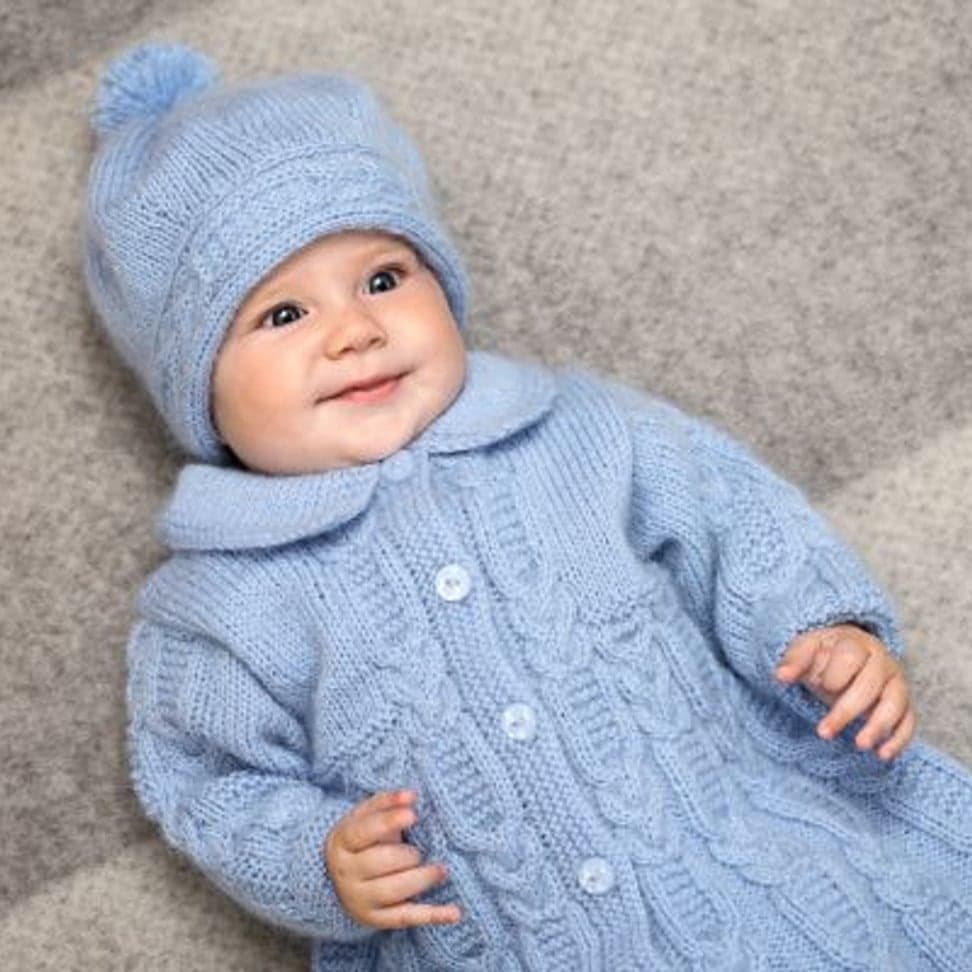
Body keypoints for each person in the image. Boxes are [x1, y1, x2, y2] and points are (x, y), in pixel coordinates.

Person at [81, 40, 972, 971]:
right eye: (283, 315)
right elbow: (208, 781)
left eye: (383, 279)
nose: (355, 331)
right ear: (196, 384)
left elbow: (733, 518)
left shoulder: (580, 431)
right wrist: (316, 859)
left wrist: (823, 630)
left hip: (763, 862)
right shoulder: (219, 605)